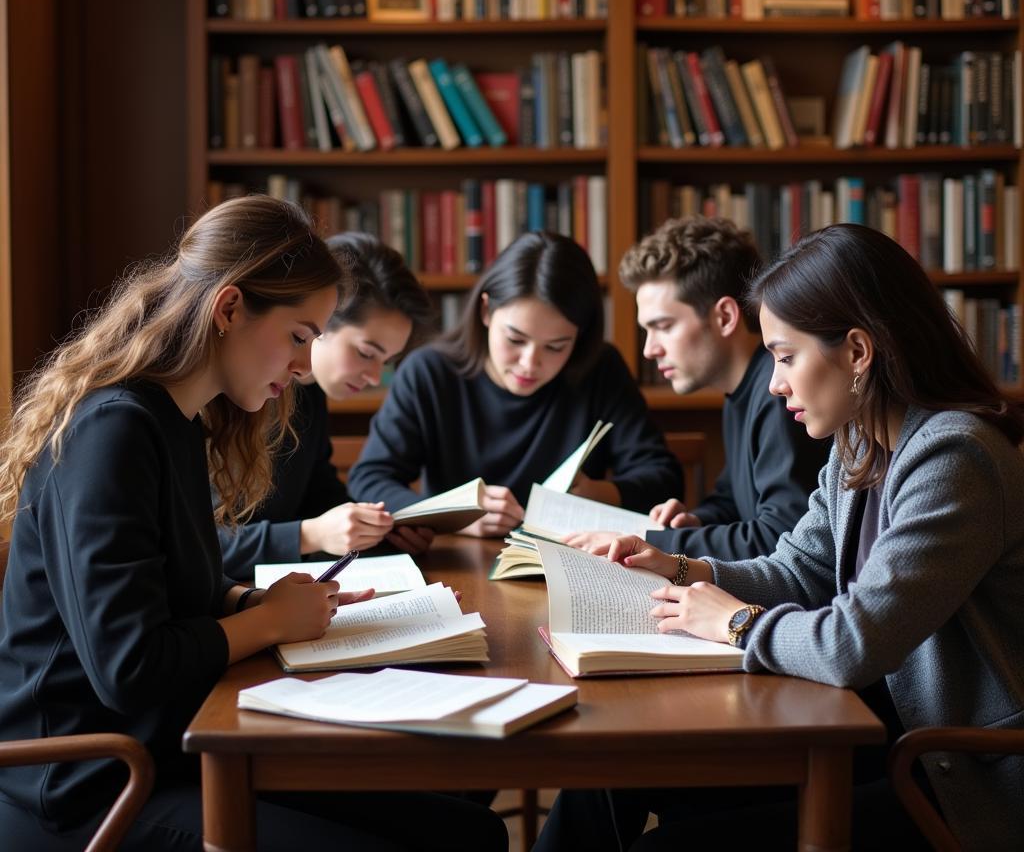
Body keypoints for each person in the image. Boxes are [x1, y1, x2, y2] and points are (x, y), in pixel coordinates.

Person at [0, 196, 507, 852]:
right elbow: (130, 666)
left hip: (170, 749)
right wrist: (270, 623)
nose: (303, 368)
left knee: (469, 832)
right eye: (300, 336)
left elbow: (175, 591)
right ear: (230, 308)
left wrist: (256, 600)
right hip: (93, 788)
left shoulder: (174, 423)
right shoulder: (115, 430)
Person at [535, 223, 1024, 852]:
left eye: (786, 356)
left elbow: (854, 642)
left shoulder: (956, 459)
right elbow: (798, 570)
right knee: (605, 775)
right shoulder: (859, 443)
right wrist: (683, 570)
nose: (773, 383)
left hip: (948, 772)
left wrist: (735, 623)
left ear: (856, 351)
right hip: (871, 730)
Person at [348, 231, 682, 537]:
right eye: (515, 338)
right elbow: (370, 480)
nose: (529, 363)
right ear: (486, 311)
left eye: (555, 347)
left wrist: (600, 493)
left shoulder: (600, 369)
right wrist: (455, 514)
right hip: (458, 565)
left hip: (571, 562)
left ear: (579, 338)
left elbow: (662, 476)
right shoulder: (430, 372)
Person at [565, 216, 829, 561]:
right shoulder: (742, 389)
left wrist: (652, 541)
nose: (650, 349)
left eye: (663, 326)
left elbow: (780, 536)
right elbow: (733, 501)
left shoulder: (779, 394)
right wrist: (696, 521)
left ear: (724, 317)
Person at [218, 232, 436, 580]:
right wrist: (312, 534)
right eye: (366, 353)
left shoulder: (309, 393)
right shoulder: (225, 397)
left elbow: (320, 495)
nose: (374, 377)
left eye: (388, 362)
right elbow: (197, 546)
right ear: (322, 320)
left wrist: (379, 528)